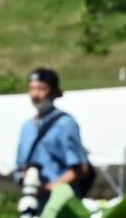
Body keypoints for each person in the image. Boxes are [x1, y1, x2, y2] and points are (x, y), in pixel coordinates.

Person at [16, 67, 91, 196]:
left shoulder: (64, 124)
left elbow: (79, 168)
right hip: (33, 199)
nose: (35, 95)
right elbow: (19, 166)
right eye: (32, 89)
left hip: (60, 199)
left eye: (41, 89)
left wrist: (49, 188)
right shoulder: (27, 127)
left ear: (53, 92)